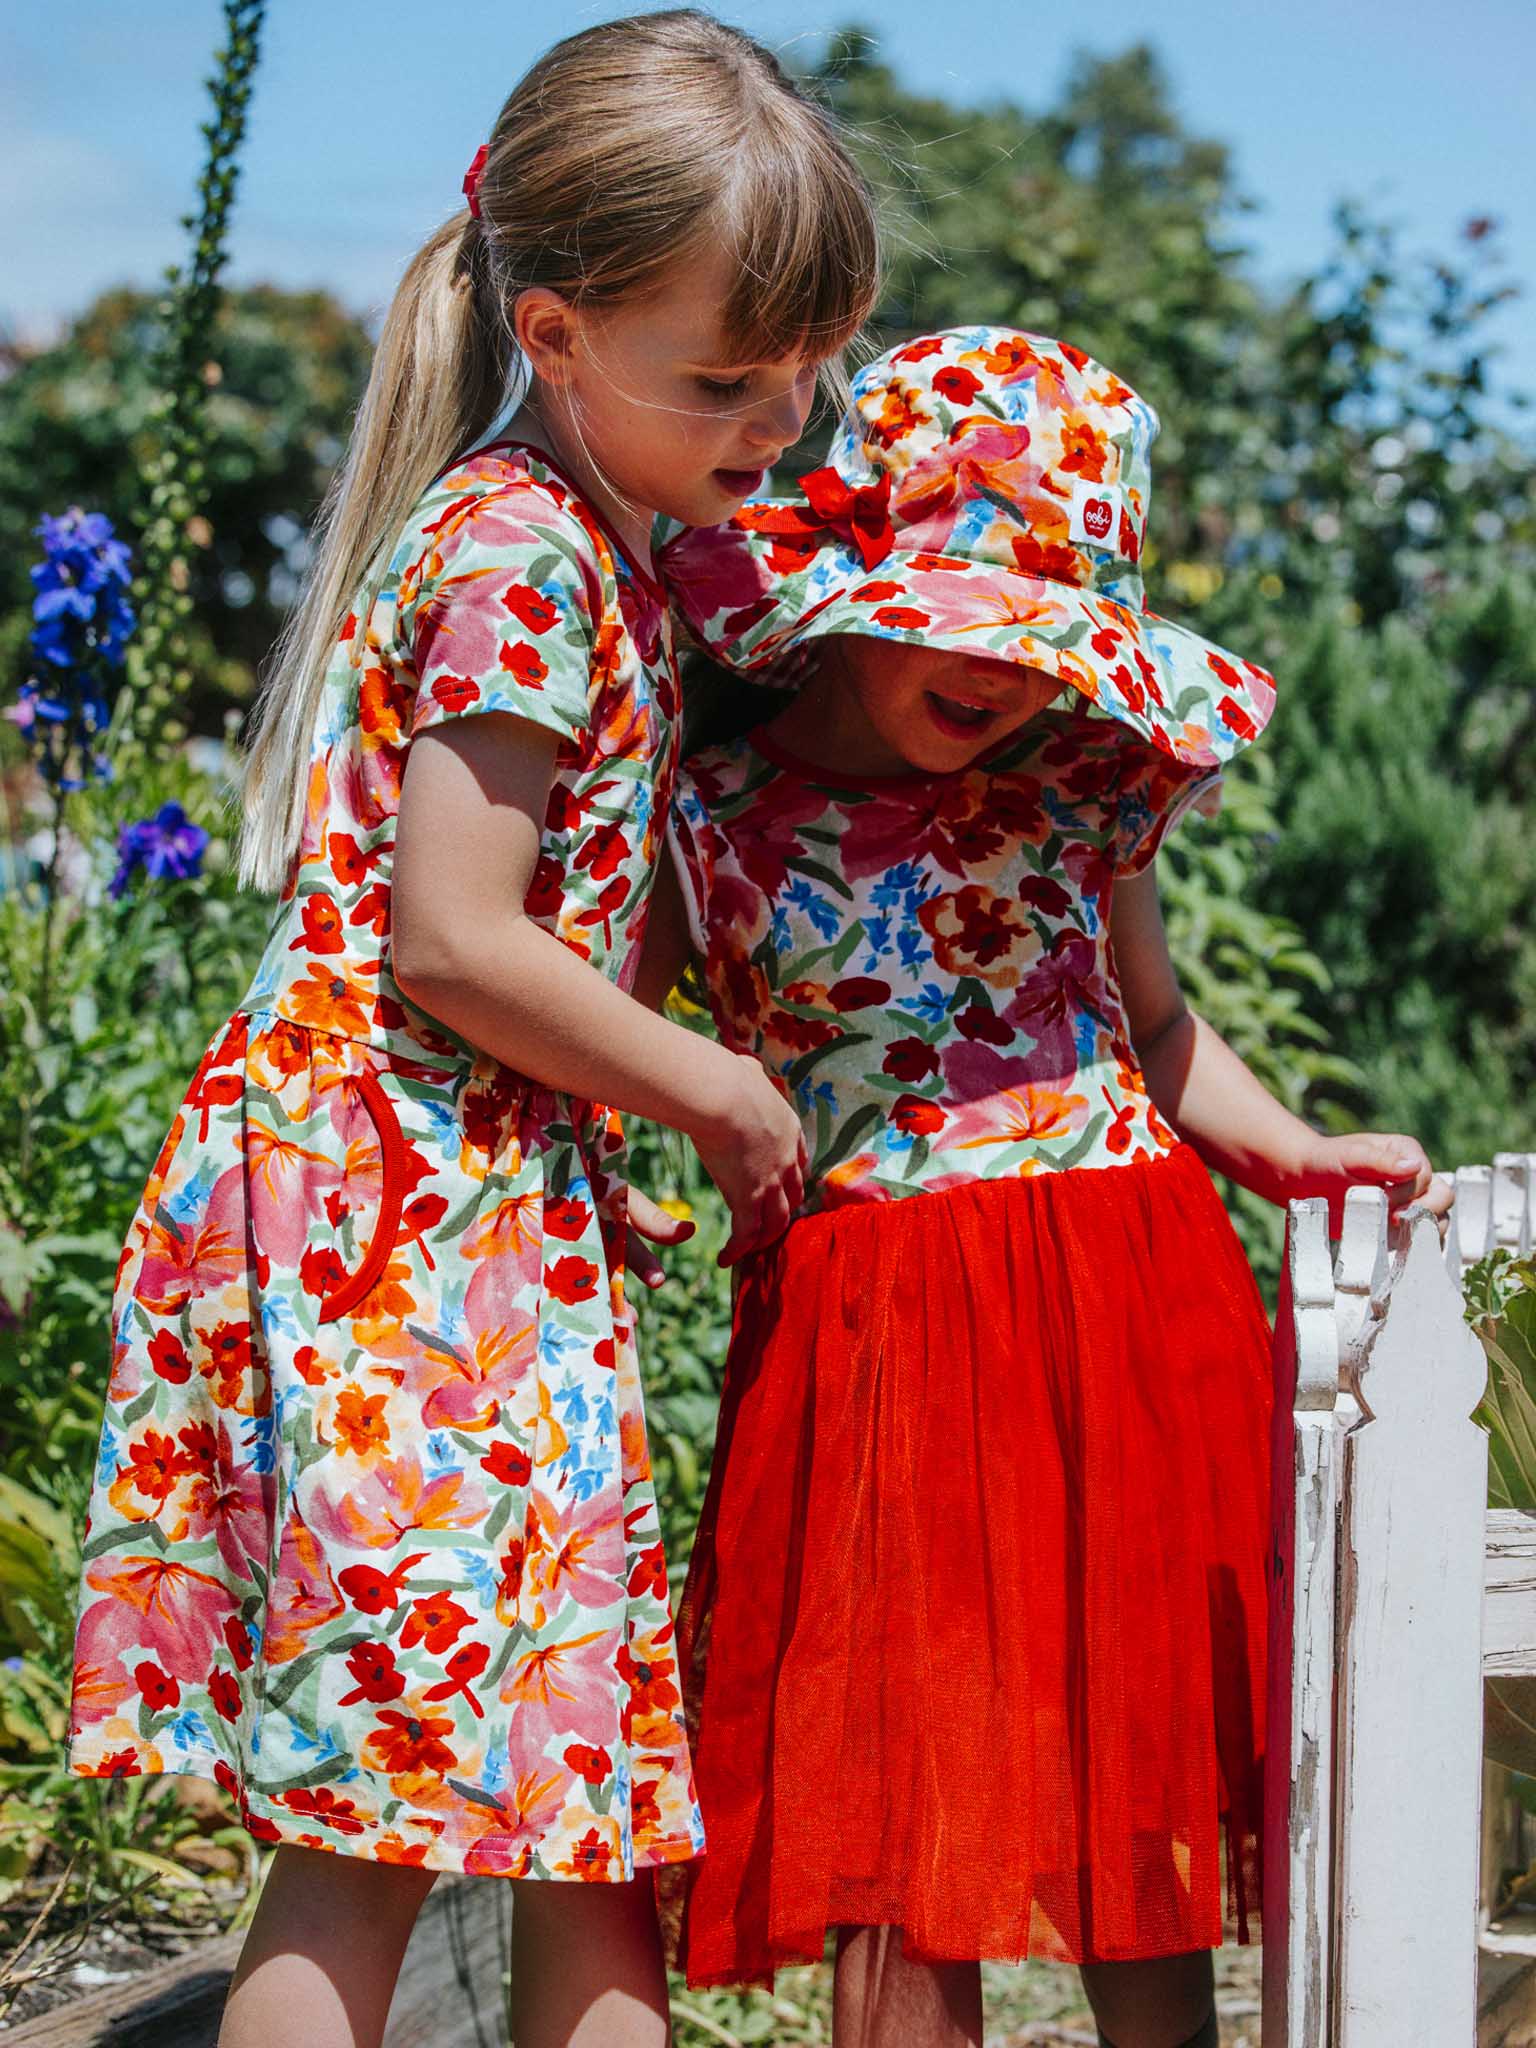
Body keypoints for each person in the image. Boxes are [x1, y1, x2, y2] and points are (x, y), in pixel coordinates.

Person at [66, 16, 878, 2048]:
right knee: (382, 1823)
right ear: (558, 329)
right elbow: (451, 934)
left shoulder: (594, 545)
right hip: (399, 1235)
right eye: (726, 380)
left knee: (578, 1798)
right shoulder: (520, 554)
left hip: (468, 1231)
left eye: (805, 371)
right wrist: (708, 1088)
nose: (777, 419)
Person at [644, 327, 1451, 2048]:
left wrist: (1293, 1151)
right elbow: (612, 1030)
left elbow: (1154, 1029)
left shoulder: (1076, 789)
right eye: (956, 626)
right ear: (855, 591)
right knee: (894, 1775)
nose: (996, 676)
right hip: (874, 1335)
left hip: (1116, 1291)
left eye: (1037, 646)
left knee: (1124, 1757)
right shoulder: (707, 810)